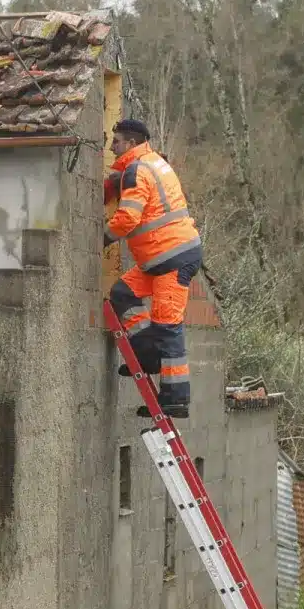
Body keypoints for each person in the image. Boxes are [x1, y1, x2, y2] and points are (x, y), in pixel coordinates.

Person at [103, 119, 203, 417]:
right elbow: (131, 187)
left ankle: (175, 400)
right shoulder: (150, 163)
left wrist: (101, 238)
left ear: (131, 143)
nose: (111, 146)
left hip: (171, 257)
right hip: (161, 257)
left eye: (117, 141)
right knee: (123, 294)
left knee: (167, 327)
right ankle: (148, 355)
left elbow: (128, 218)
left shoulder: (138, 170)